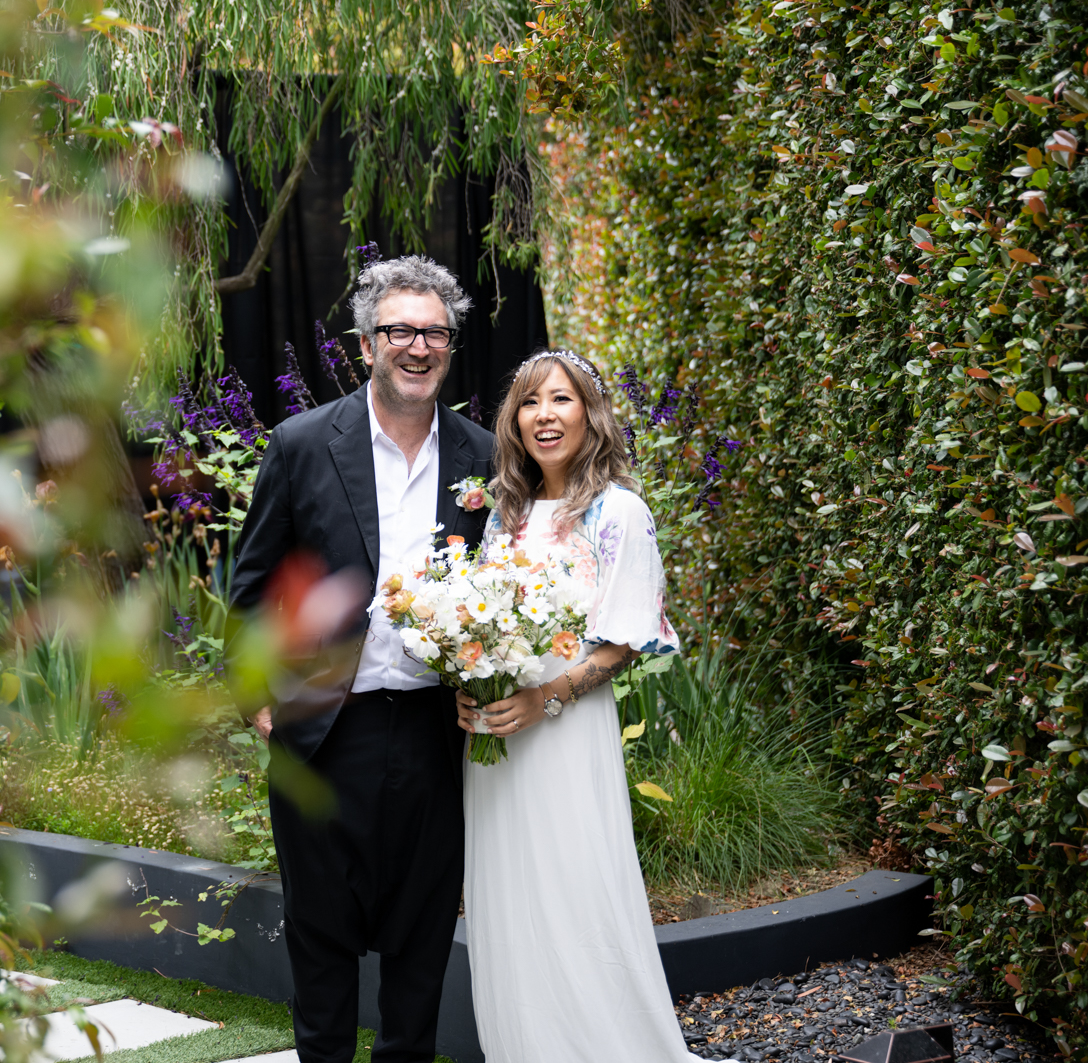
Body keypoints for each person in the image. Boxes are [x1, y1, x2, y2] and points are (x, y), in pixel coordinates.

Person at [230, 255, 495, 1063]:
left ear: (451, 347)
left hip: (432, 732)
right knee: (321, 939)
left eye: (435, 333)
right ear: (365, 344)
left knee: (420, 942)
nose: (419, 347)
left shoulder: (484, 457)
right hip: (321, 729)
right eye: (400, 331)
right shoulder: (303, 444)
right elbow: (251, 584)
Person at [455, 348, 727, 1063]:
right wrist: (471, 679)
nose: (544, 415)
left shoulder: (618, 512)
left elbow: (624, 642)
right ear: (514, 419)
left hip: (566, 734)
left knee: (576, 892)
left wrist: (544, 695)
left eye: (561, 400)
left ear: (591, 413)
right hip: (494, 740)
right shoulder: (504, 512)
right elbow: (476, 616)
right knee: (508, 902)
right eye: (529, 402)